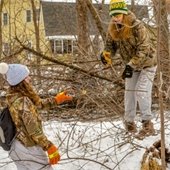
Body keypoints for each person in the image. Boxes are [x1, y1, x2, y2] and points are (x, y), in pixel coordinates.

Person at [100, 0, 157, 139]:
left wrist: (131, 65)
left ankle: (147, 124)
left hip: (147, 64)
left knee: (141, 91)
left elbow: (144, 48)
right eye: (113, 15)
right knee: (129, 93)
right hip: (131, 65)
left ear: (124, 13)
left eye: (118, 14)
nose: (115, 18)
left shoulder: (137, 26)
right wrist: (106, 55)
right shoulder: (113, 28)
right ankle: (130, 124)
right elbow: (110, 46)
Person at [0, 62, 73, 169]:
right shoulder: (23, 100)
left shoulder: (14, 96)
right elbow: (33, 128)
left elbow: (37, 105)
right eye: (26, 77)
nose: (30, 79)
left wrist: (56, 100)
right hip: (28, 148)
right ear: (21, 81)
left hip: (16, 147)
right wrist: (48, 146)